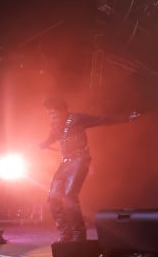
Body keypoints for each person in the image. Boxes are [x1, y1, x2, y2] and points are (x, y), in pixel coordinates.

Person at [39, 97, 141, 243]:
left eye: (53, 112)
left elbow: (102, 120)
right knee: (53, 197)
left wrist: (126, 118)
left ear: (62, 110)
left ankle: (78, 236)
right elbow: (51, 138)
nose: (51, 116)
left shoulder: (77, 118)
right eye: (49, 113)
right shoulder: (54, 125)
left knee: (69, 196)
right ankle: (65, 234)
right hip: (65, 162)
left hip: (80, 160)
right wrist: (42, 145)